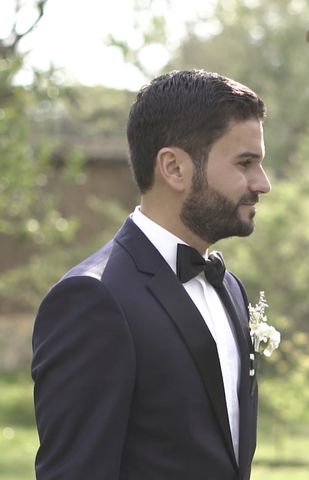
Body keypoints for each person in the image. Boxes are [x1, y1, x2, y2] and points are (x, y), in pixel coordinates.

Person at [31, 69, 271, 480]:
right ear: (174, 168)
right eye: (245, 163)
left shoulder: (230, 289)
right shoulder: (93, 299)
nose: (262, 183)